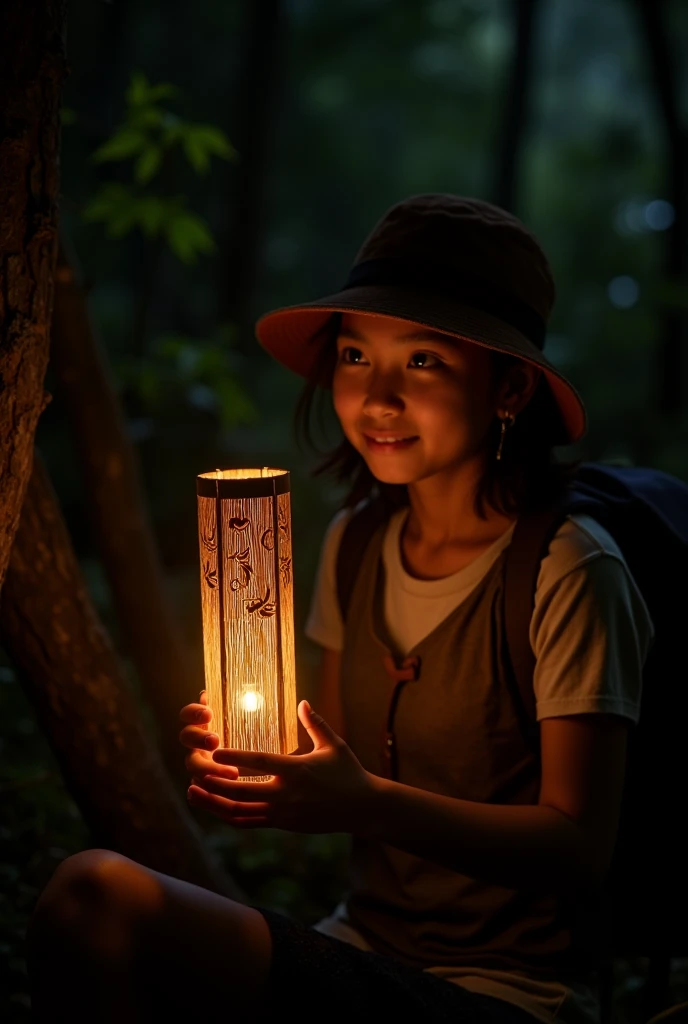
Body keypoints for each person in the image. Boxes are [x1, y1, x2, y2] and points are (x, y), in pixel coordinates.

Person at [26, 195, 652, 1023]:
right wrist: (263, 764)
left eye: (422, 361)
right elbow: (334, 759)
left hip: (509, 995)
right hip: (358, 947)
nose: (377, 396)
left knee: (95, 892)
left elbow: (578, 849)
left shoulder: (570, 570)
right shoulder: (356, 543)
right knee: (90, 902)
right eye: (356, 356)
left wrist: (367, 803)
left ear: (508, 387)